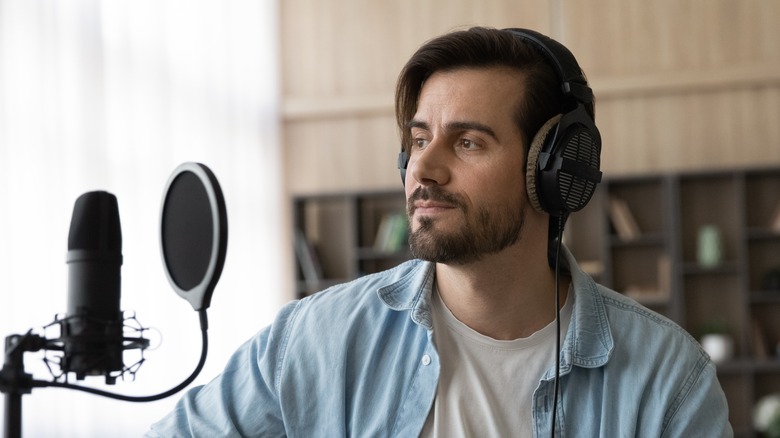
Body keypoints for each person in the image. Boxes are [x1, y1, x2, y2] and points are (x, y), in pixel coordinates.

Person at [147, 26, 732, 437]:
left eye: (468, 142)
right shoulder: (316, 341)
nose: (421, 169)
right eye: (419, 140)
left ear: (556, 169)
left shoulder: (666, 379)